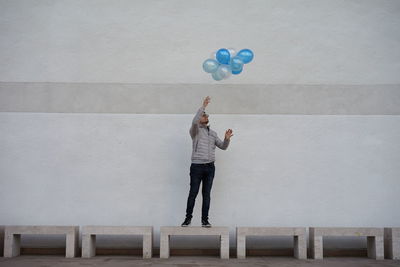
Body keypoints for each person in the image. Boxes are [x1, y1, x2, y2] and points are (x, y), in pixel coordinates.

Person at [181, 96, 233, 227]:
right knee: (193, 193)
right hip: (197, 167)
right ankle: (188, 219)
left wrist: (227, 139)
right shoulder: (195, 131)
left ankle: (205, 220)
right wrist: (203, 107)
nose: (205, 116)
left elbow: (223, 147)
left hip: (210, 168)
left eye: (206, 115)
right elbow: (194, 121)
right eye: (203, 115)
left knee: (206, 195)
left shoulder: (213, 133)